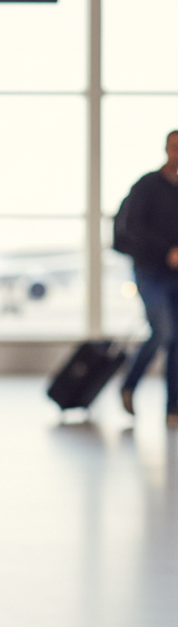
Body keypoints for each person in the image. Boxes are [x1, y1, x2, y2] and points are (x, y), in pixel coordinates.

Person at [119, 130, 178, 426]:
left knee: (177, 341)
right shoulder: (147, 185)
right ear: (166, 149)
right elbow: (132, 227)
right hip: (150, 272)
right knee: (163, 332)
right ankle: (129, 384)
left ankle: (173, 409)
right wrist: (166, 251)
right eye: (175, 147)